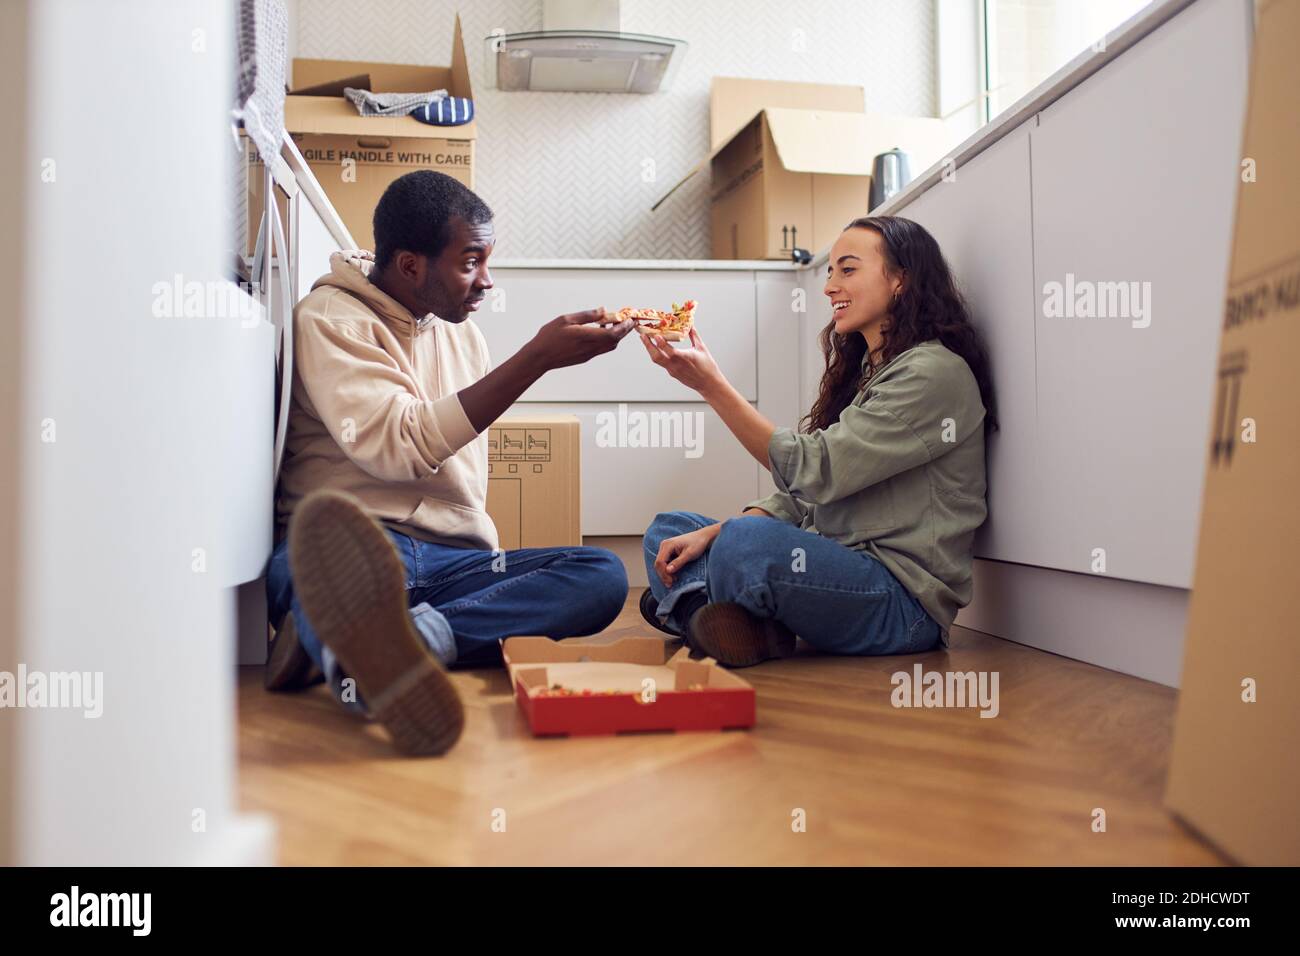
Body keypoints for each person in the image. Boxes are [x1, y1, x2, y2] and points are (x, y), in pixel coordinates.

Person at [265, 170, 635, 755]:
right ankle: (361, 649)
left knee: (602, 575)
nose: (486, 281)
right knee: (307, 569)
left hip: (455, 564)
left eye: (487, 260)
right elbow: (398, 444)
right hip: (359, 541)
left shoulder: (463, 336)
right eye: (470, 262)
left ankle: (388, 645)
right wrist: (535, 359)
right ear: (411, 265)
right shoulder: (331, 319)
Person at [639, 216, 996, 667]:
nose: (829, 287)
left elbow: (817, 473)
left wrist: (711, 385)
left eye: (847, 270)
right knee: (669, 530)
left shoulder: (931, 373)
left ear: (901, 280)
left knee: (745, 544)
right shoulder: (873, 371)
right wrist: (719, 530)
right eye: (829, 272)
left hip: (898, 603)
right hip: (833, 563)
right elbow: (808, 496)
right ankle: (715, 619)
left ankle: (689, 610)